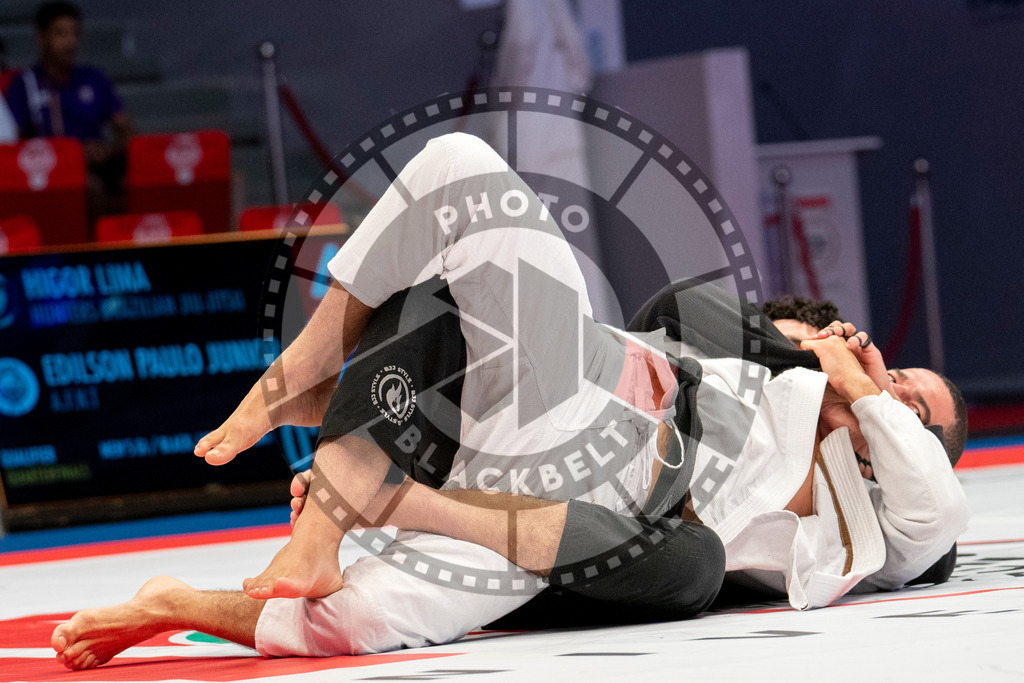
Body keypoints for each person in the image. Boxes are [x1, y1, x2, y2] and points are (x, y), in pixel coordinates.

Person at [51, 133, 969, 669]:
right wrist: (810, 352)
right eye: (905, 378)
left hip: (556, 519)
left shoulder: (880, 535)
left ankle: (181, 597)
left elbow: (934, 501)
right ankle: (298, 392)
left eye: (918, 409)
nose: (898, 392)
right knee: (462, 166)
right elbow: (685, 310)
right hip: (577, 394)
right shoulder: (790, 373)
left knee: (362, 624)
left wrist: (879, 406)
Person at [4, 2, 132, 221]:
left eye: (75, 34)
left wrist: (112, 148)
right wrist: (73, 155)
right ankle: (95, 254)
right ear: (41, 37)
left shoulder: (94, 78)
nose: (71, 42)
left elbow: (125, 129)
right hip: (54, 170)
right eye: (61, 34)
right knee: (90, 187)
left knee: (137, 179)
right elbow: (12, 145)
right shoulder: (24, 85)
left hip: (103, 163)